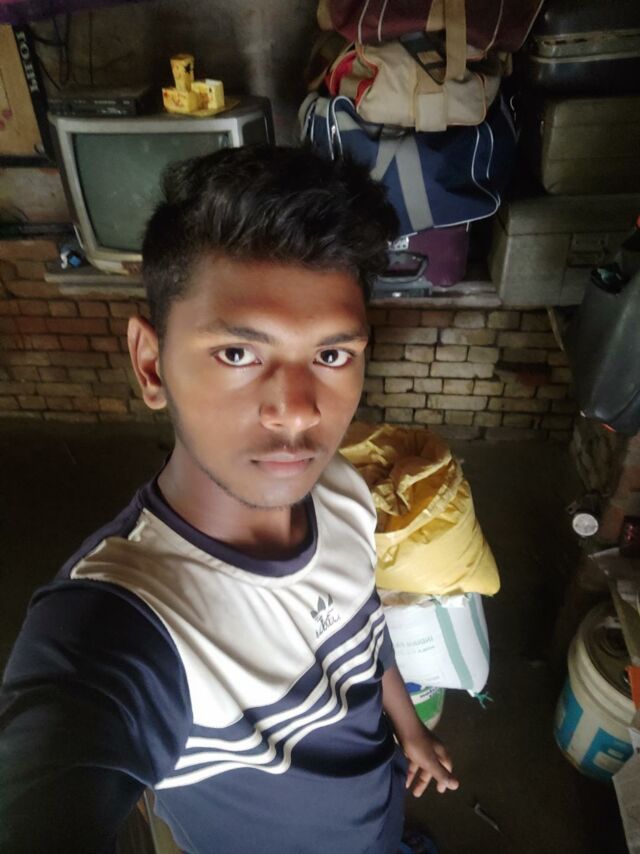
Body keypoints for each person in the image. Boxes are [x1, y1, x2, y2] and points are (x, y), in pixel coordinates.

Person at [0, 145, 458, 854]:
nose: (298, 411)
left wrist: (411, 730)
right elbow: (53, 764)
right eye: (238, 354)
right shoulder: (125, 624)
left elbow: (364, 631)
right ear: (151, 365)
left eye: (331, 355)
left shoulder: (340, 490)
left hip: (385, 817)